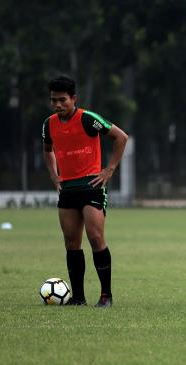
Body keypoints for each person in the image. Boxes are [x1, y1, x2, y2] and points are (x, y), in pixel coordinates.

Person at [42, 76, 128, 308]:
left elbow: (121, 137)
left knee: (95, 237)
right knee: (71, 242)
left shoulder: (88, 119)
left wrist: (109, 170)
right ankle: (78, 298)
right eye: (54, 101)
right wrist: (54, 174)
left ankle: (106, 295)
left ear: (74, 99)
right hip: (67, 189)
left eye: (62, 100)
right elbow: (47, 150)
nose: (58, 105)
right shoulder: (48, 124)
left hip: (92, 186)